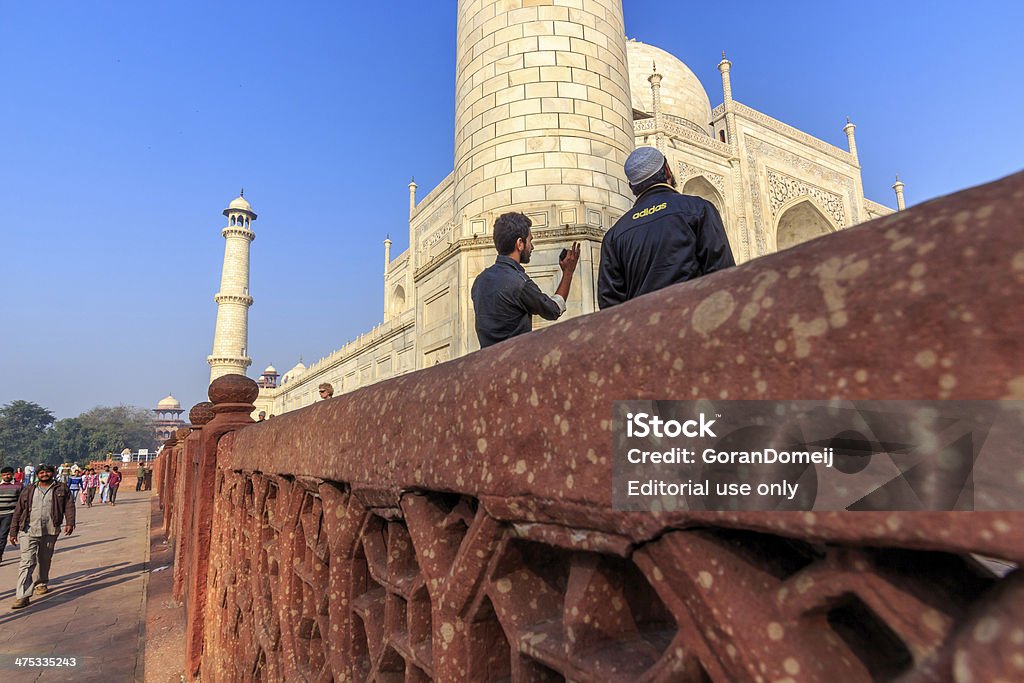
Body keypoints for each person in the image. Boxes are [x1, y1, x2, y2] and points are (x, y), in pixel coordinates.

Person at [598, 147, 735, 309]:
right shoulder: (698, 209)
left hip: (644, 329)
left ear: (632, 187)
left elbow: (610, 305)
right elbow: (722, 275)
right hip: (693, 322)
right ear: (667, 170)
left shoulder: (615, 235)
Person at [471, 212, 581, 348]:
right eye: (530, 240)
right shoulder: (519, 283)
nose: (532, 247)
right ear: (520, 244)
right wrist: (568, 272)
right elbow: (554, 309)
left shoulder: (479, 282)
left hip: (487, 363)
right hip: (513, 364)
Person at [9, 464, 76, 609]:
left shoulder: (61, 488)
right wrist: (13, 531)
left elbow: (69, 506)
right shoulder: (29, 490)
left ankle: (41, 583)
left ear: (52, 473)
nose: (44, 474)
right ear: (37, 474)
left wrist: (70, 522)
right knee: (26, 562)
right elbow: (18, 510)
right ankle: (23, 595)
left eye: (47, 472)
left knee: (44, 559)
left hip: (50, 530)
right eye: (42, 472)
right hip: (28, 530)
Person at [0, 467, 24, 565]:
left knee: (2, 535)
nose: (6, 476)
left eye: (8, 474)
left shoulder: (18, 486)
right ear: (2, 475)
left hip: (9, 514)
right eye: (4, 475)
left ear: (13, 474)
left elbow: (22, 501)